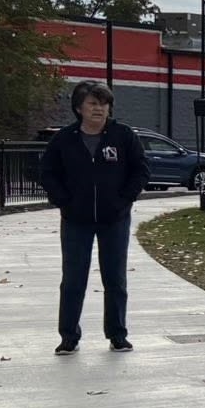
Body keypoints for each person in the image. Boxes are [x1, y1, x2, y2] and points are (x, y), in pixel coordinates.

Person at [38, 80, 149, 354]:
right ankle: (68, 337)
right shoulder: (64, 139)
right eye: (93, 103)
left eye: (104, 103)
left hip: (115, 219)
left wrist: (124, 200)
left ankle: (117, 334)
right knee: (74, 279)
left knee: (115, 279)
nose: (99, 108)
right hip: (76, 220)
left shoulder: (123, 136)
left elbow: (141, 170)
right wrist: (63, 201)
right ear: (79, 108)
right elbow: (47, 173)